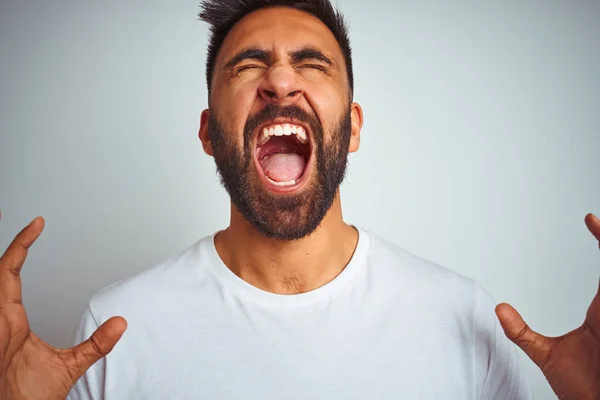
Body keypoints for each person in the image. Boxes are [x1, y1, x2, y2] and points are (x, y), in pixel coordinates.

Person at [0, 0, 598, 399]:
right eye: (249, 65)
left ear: (354, 127)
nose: (280, 82)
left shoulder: (462, 317)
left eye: (311, 65)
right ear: (210, 133)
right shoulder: (117, 329)